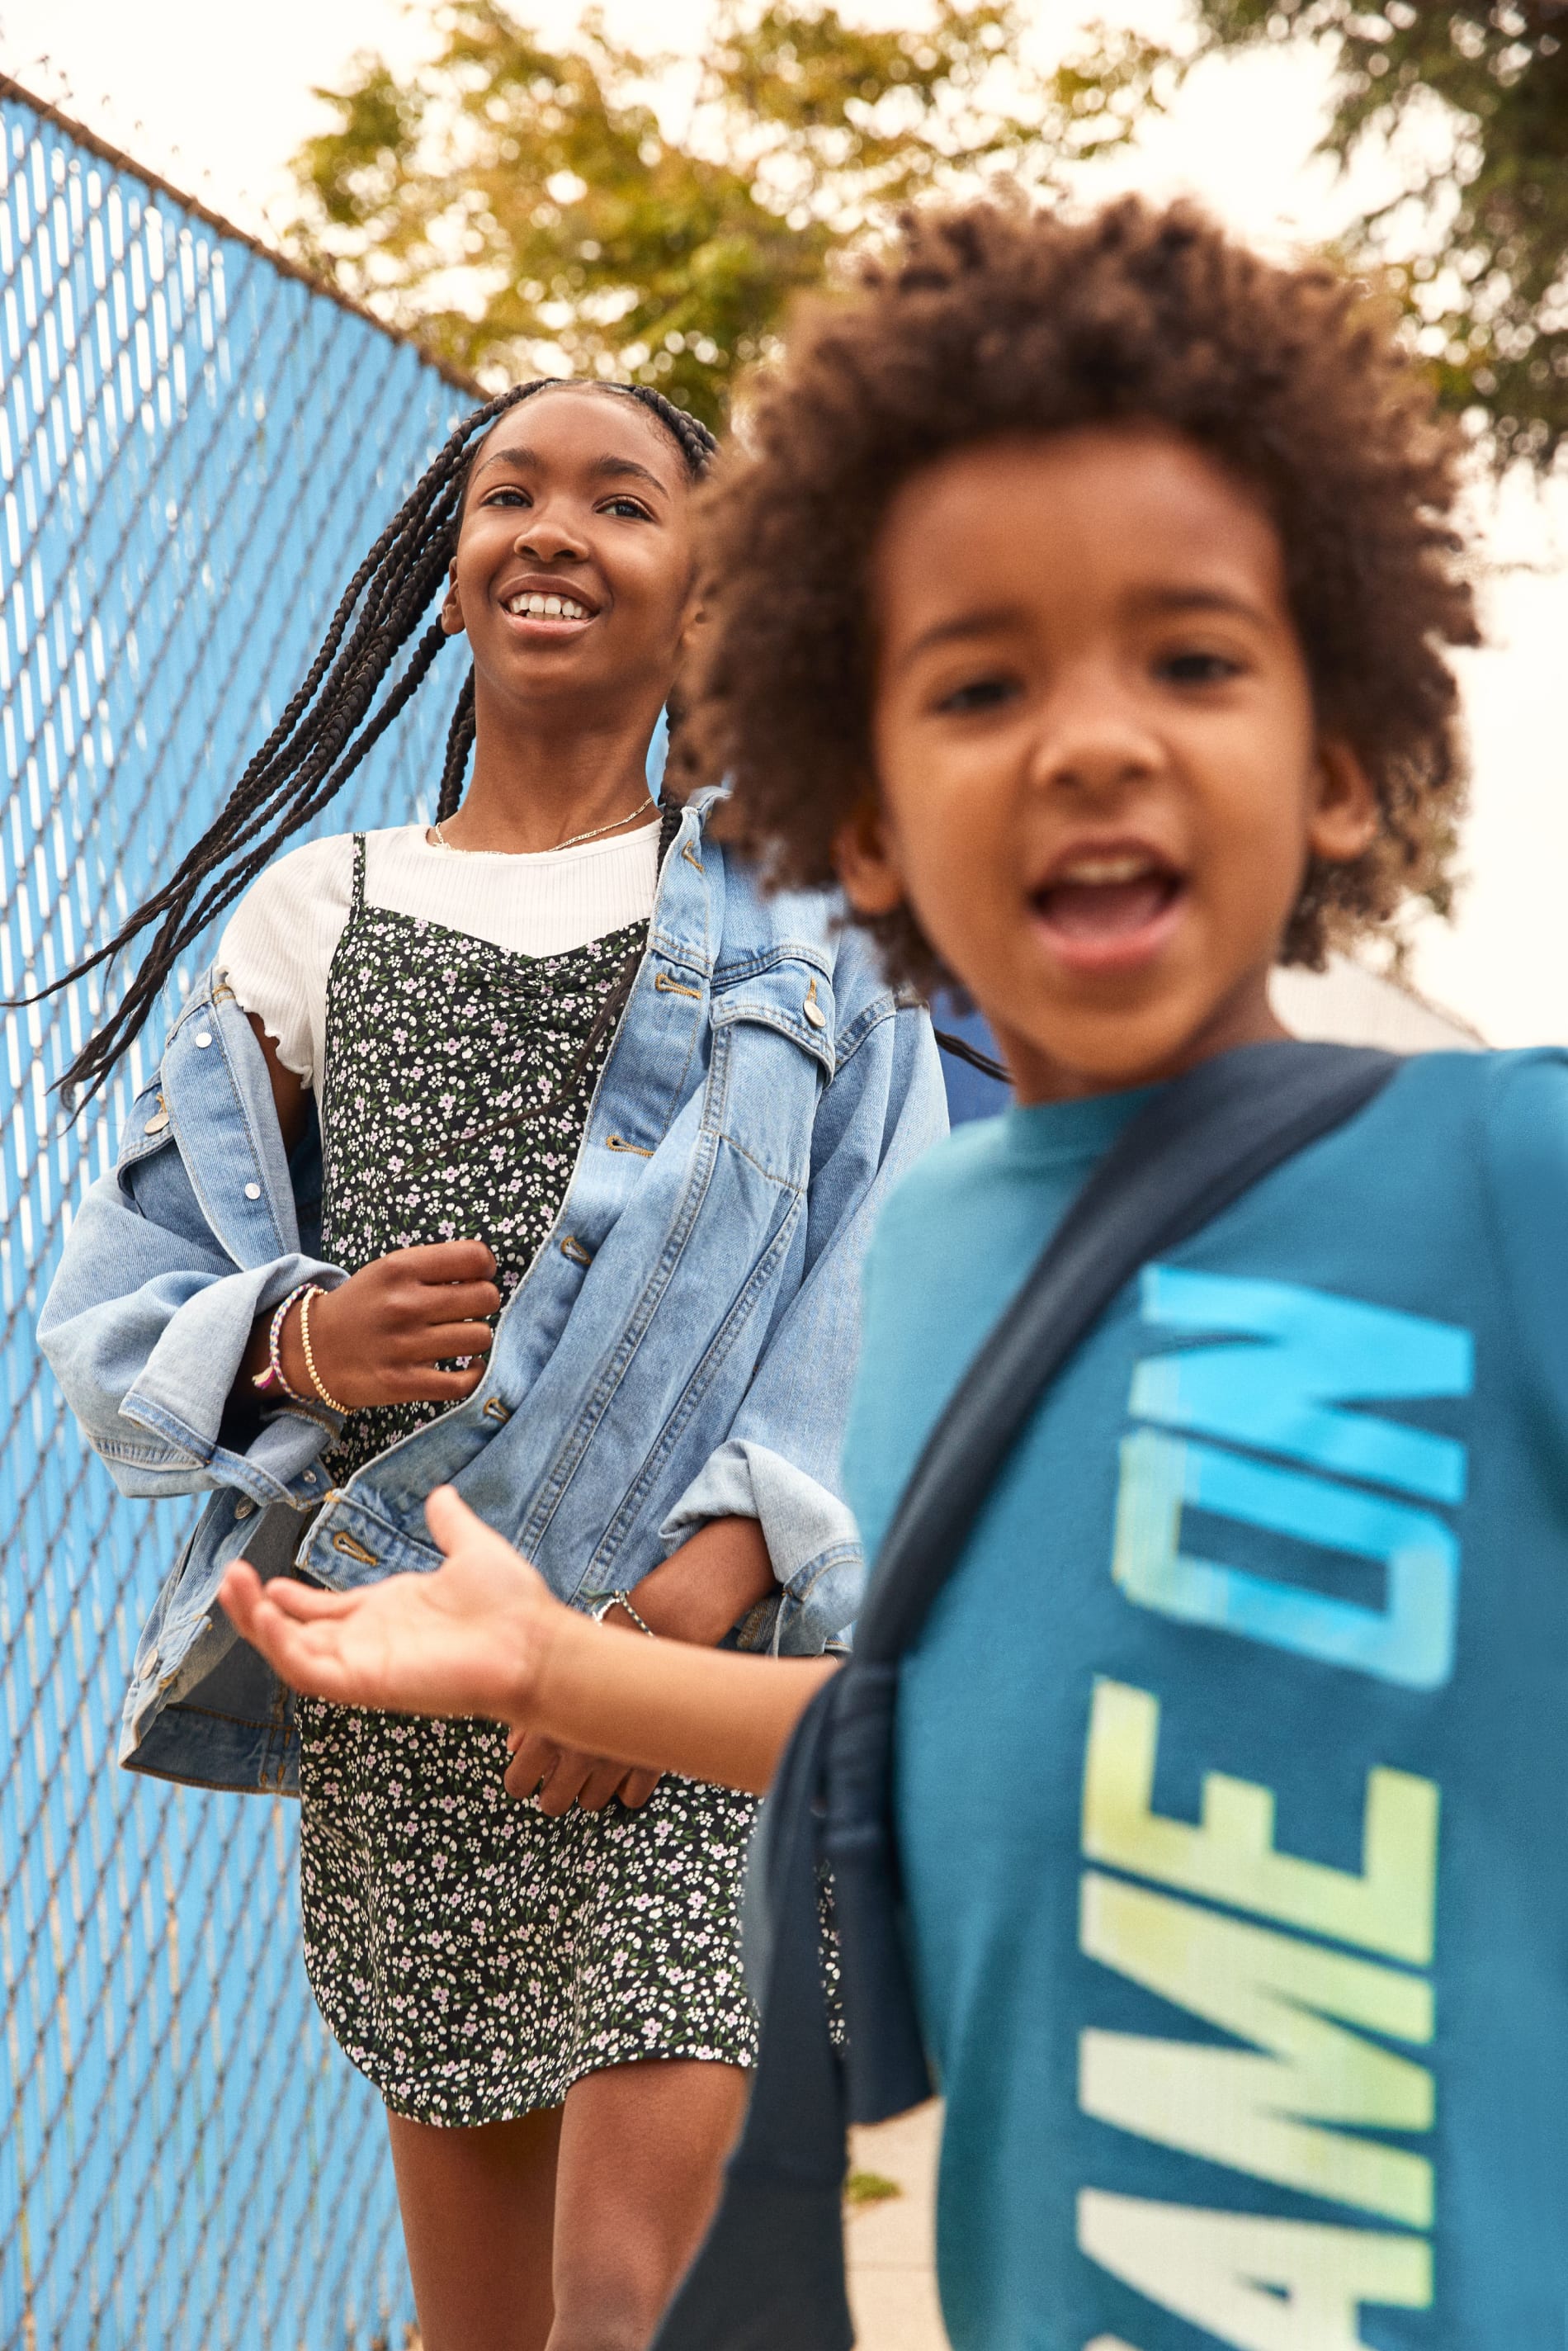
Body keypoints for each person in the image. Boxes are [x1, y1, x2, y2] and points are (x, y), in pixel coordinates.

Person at [220, 194, 1561, 2349]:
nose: (1088, 739)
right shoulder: (946, 1247)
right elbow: (969, 1742)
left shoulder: (1499, 1169)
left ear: (1333, 762)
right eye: (979, 680)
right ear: (861, 827)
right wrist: (549, 1667)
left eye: (1190, 656)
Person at [36, 376, 946, 2351]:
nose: (552, 526)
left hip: (704, 1656)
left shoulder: (813, 924)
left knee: (631, 2306)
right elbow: (120, 1295)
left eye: (621, 499)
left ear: (702, 596)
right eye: (506, 494)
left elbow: (883, 1268)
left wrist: (691, 1602)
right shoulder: (316, 914)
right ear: (450, 579)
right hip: (412, 1671)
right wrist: (297, 1333)